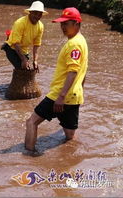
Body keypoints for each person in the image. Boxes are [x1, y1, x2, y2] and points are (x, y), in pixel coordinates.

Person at [24, 7, 88, 152]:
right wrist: (80, 90)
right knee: (70, 136)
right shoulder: (81, 40)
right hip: (74, 96)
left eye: (66, 24)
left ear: (77, 24)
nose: (63, 27)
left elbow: (73, 71)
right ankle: (67, 160)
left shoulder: (74, 44)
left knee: (31, 122)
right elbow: (83, 70)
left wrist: (61, 97)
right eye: (62, 24)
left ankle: (27, 158)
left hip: (59, 95)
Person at [1, 1, 48, 71]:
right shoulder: (20, 23)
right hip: (12, 48)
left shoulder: (40, 26)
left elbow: (37, 45)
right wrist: (23, 59)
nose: (37, 16)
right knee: (22, 68)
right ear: (30, 12)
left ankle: (19, 81)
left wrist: (35, 60)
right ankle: (18, 81)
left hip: (24, 49)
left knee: (28, 68)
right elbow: (16, 43)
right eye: (35, 13)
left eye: (40, 14)